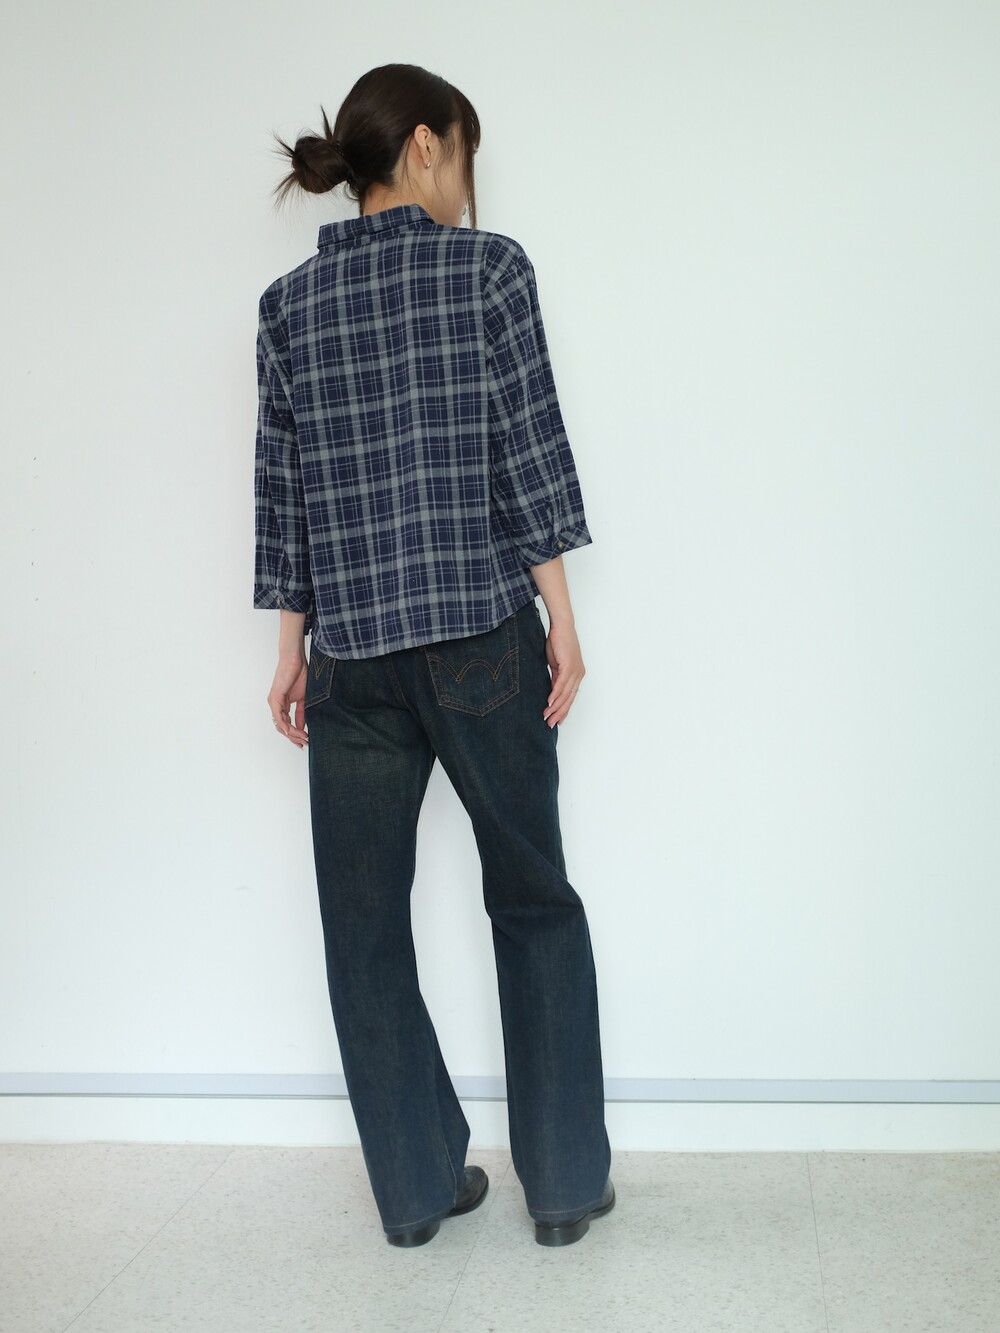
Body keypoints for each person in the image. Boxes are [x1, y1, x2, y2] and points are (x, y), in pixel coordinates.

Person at [254, 63, 613, 1248]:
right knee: (533, 899)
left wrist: (292, 646)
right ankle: (561, 1187)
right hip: (478, 640)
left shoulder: (287, 306)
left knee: (361, 927)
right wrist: (561, 614)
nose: (468, 184)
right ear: (422, 145)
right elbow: (528, 447)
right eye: (463, 155)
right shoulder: (489, 270)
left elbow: (284, 496)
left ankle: (414, 1193)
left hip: (352, 657)